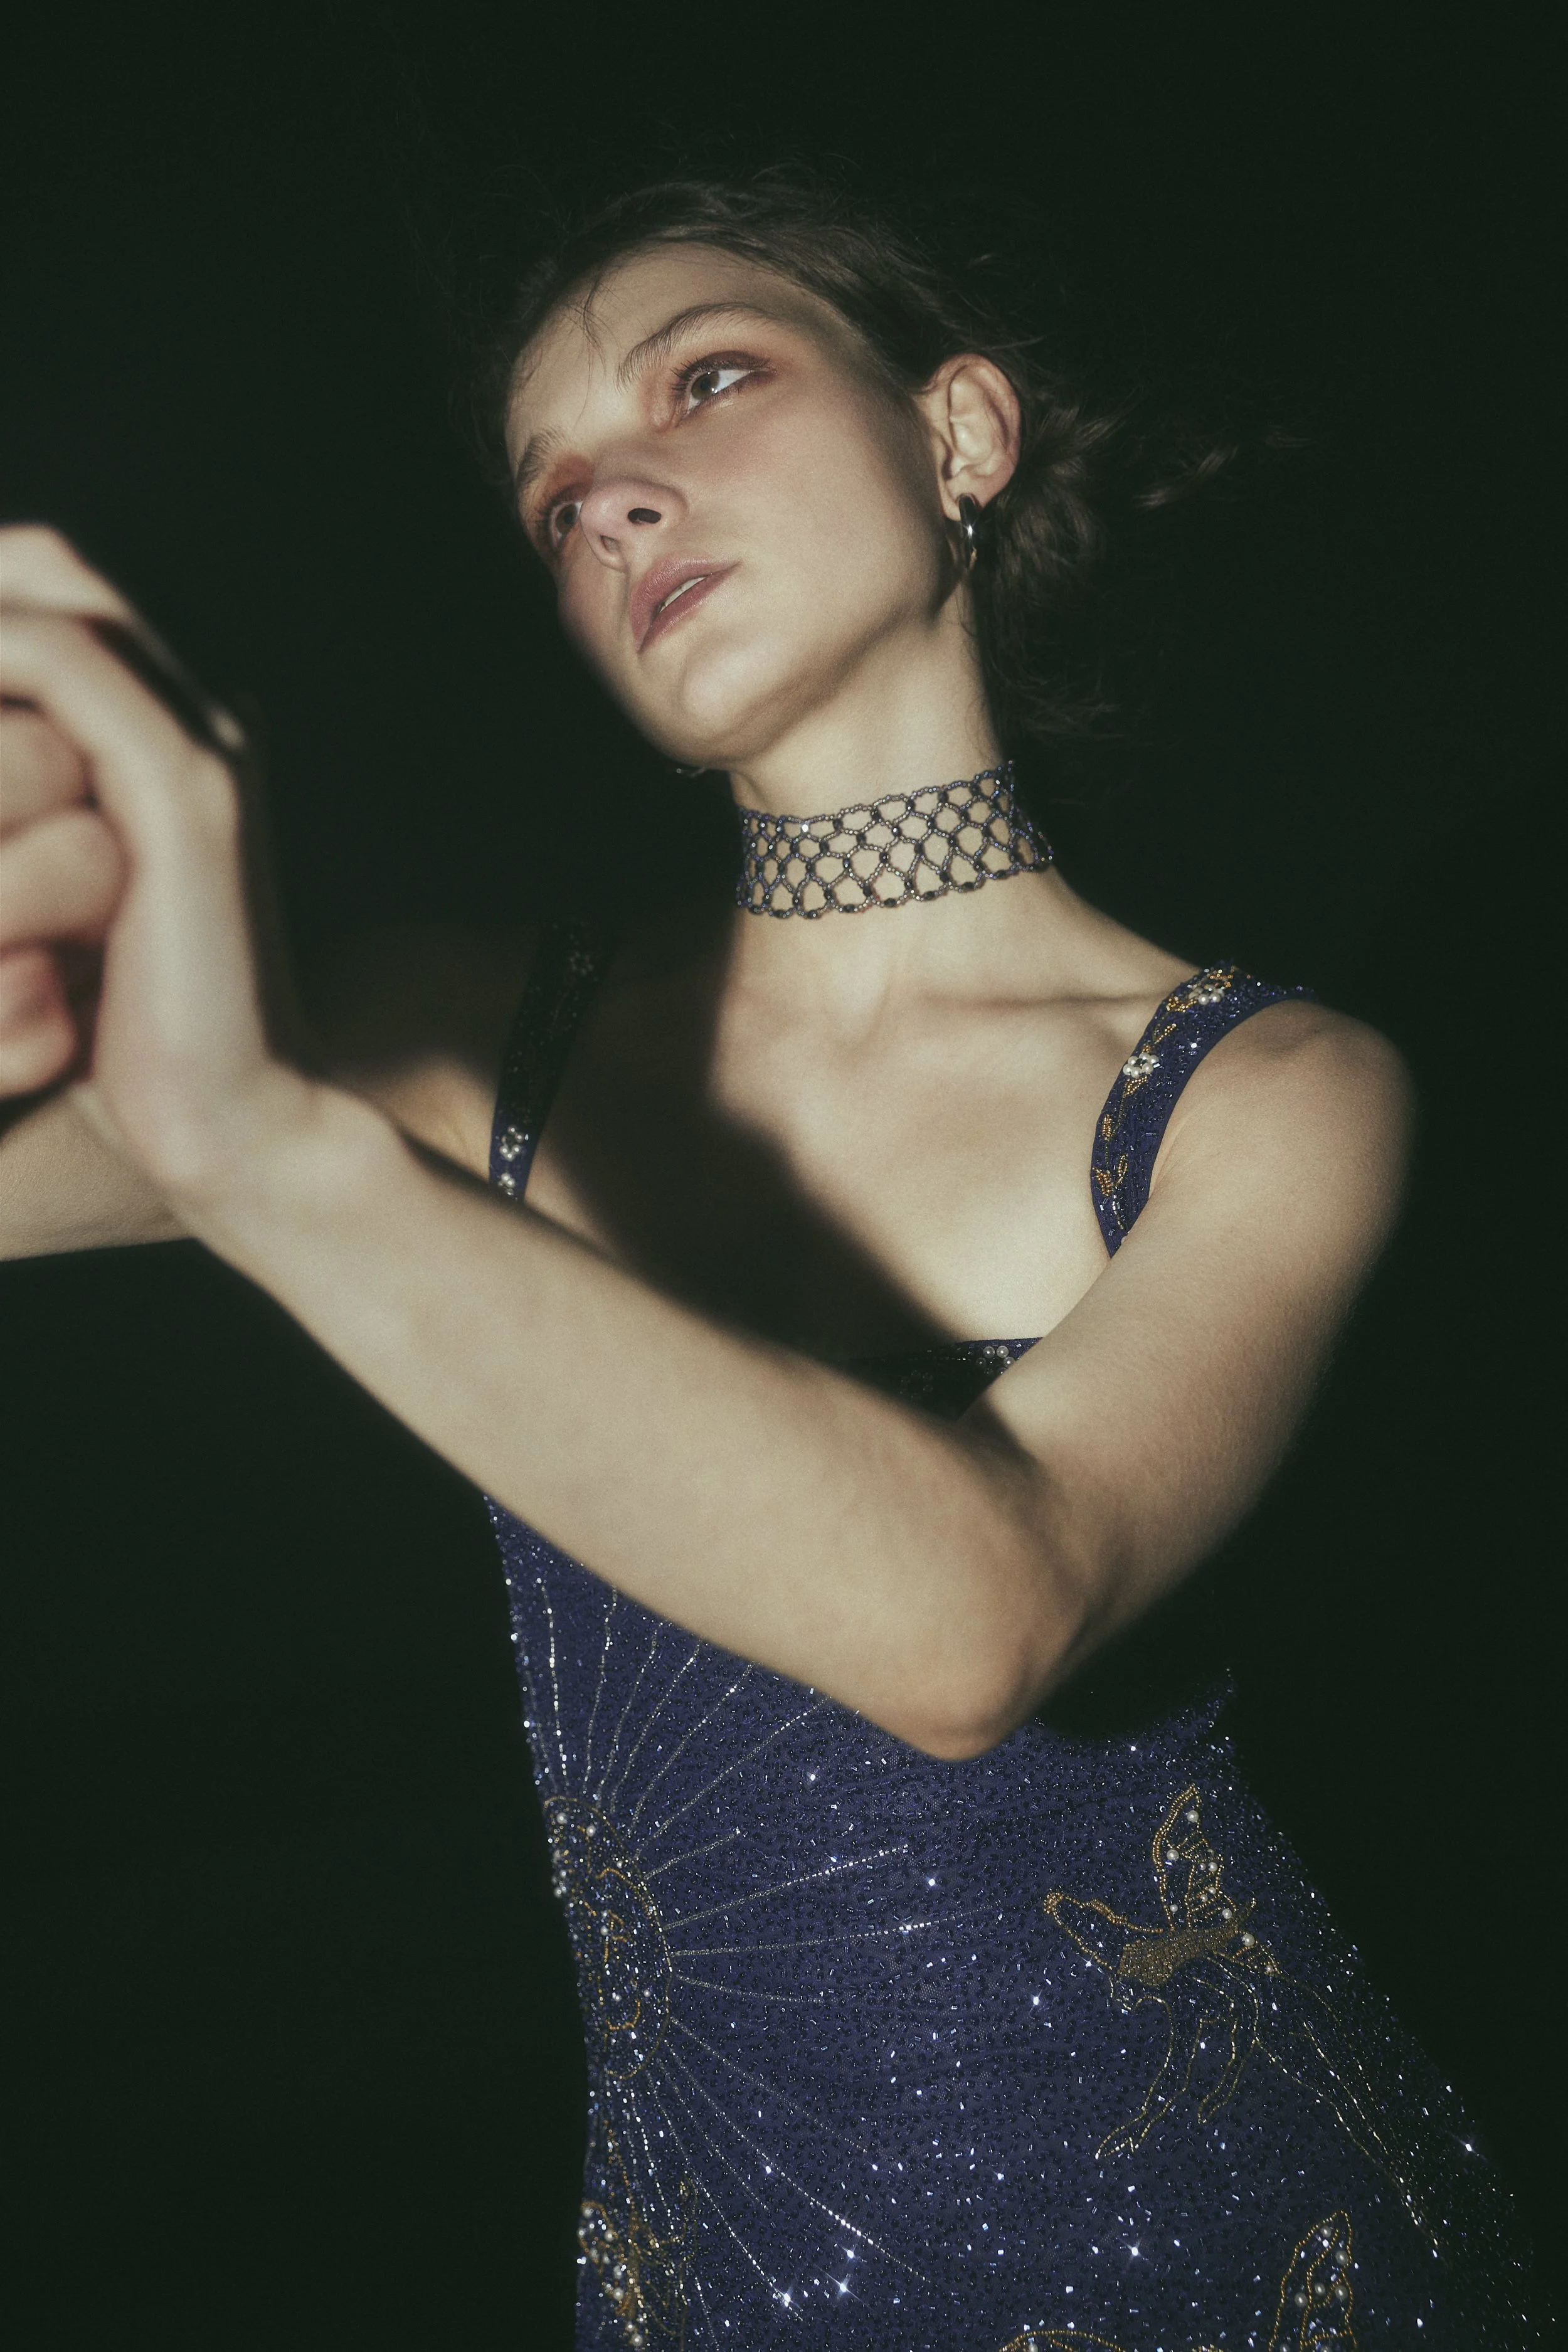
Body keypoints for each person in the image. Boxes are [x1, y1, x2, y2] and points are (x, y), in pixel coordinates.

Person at [0, 175, 1528, 2346]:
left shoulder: (1267, 1089)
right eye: (551, 499)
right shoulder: (467, 1054)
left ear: (957, 432)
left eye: (705, 382)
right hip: (711, 2284)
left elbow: (977, 1614)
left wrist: (260, 1144)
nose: (611, 498)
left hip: (1247, 2264)